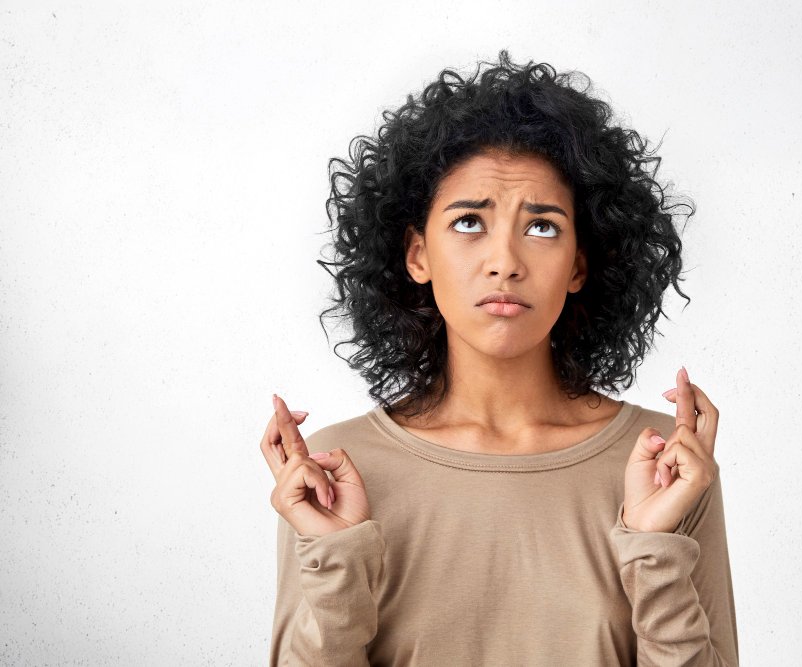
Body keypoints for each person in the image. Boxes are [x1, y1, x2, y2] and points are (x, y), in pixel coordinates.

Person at [260, 50, 738, 666]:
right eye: (468, 222)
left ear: (579, 266)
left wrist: (654, 551)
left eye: (542, 227)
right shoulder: (334, 471)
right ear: (417, 255)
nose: (505, 262)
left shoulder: (665, 465)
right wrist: (338, 563)